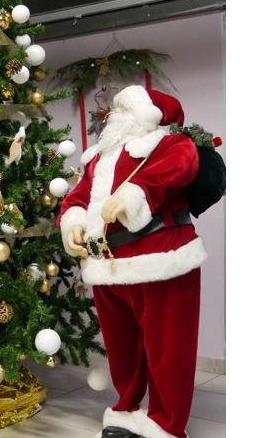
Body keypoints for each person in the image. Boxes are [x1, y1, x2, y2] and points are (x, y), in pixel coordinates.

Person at [56, 84, 207, 438]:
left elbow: (181, 165)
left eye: (125, 107)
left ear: (147, 115)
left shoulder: (168, 144)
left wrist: (133, 193)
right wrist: (73, 223)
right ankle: (127, 411)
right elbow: (77, 198)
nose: (115, 113)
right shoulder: (98, 157)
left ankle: (166, 424)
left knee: (168, 348)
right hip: (108, 266)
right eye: (116, 107)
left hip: (161, 259)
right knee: (122, 348)